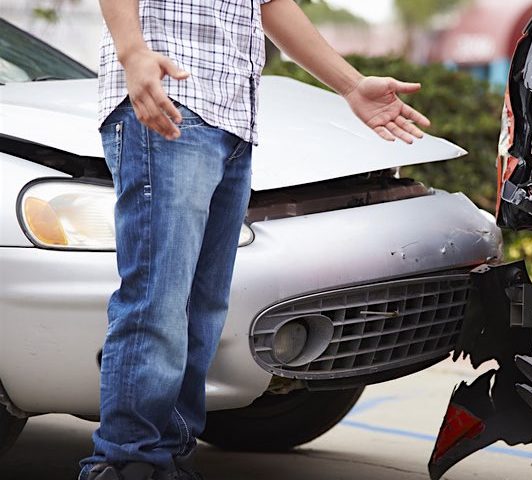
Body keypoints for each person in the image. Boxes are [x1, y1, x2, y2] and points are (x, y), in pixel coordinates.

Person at [80, 1, 430, 479]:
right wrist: (132, 51)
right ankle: (126, 464)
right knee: (156, 303)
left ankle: (167, 462)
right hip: (169, 99)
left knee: (201, 313)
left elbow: (270, 5)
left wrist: (351, 85)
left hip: (232, 120)